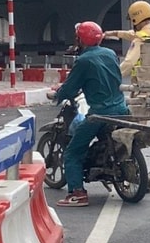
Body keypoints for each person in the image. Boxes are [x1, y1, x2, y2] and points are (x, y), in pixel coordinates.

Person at [52, 21, 129, 207]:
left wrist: (56, 95)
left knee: (73, 152)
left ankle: (77, 193)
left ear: (80, 40)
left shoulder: (83, 61)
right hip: (122, 109)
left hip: (100, 114)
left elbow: (70, 88)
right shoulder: (110, 54)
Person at [104, 1, 150, 182]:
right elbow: (132, 34)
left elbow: (128, 64)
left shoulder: (139, 40)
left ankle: (132, 165)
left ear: (136, 18)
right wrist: (113, 34)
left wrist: (112, 77)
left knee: (131, 128)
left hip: (143, 91)